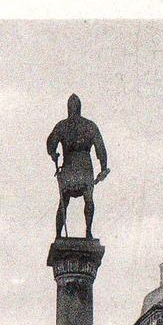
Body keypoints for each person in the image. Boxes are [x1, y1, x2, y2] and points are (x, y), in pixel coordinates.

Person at [46, 94, 109, 239]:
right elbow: (101, 149)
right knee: (88, 200)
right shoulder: (89, 125)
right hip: (85, 166)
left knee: (64, 202)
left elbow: (50, 143)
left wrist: (53, 154)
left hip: (69, 166)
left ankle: (59, 235)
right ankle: (88, 232)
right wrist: (103, 167)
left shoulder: (62, 125)